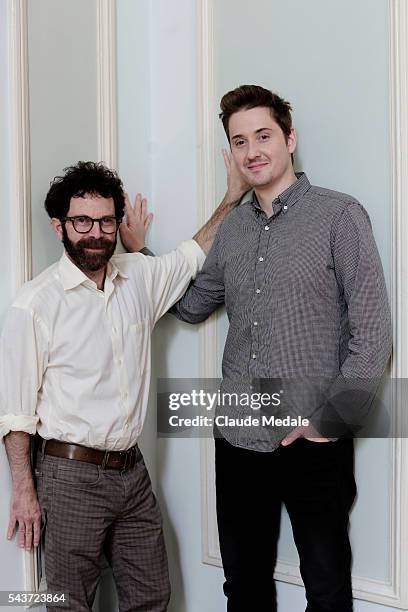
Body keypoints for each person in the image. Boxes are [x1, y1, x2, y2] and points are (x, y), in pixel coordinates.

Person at [135, 85, 392, 611]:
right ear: (230, 154)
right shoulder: (232, 230)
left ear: (289, 139)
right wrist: (142, 254)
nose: (252, 150)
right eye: (239, 141)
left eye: (263, 136)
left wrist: (331, 420)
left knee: (326, 587)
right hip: (237, 436)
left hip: (313, 440)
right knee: (244, 587)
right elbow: (188, 306)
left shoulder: (340, 216)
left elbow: (373, 333)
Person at [0, 160, 242, 612]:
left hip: (132, 474)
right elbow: (16, 414)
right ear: (60, 226)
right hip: (70, 476)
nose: (96, 232)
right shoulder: (35, 304)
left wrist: (235, 193)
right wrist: (24, 491)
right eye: (82, 222)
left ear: (117, 221)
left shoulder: (138, 278)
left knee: (152, 595)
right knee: (70, 604)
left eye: (106, 220)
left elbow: (194, 252)